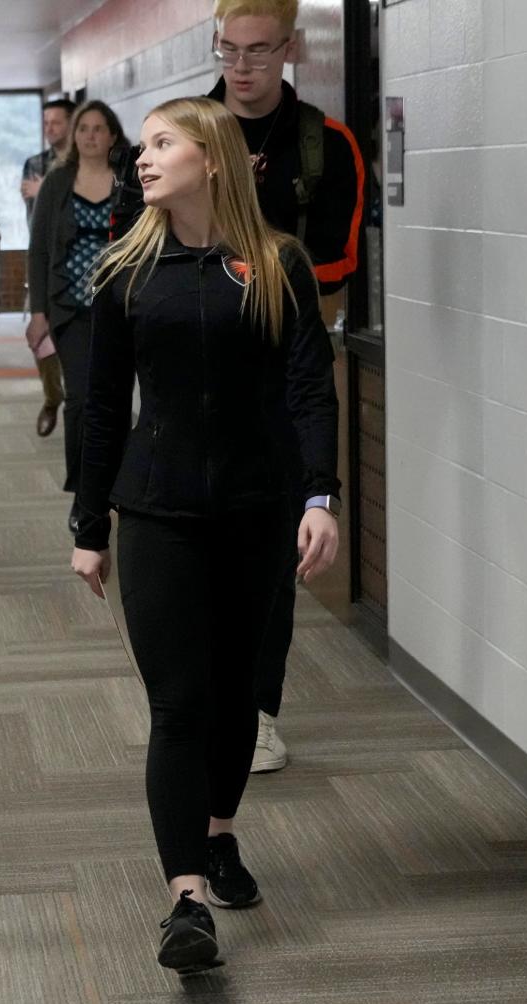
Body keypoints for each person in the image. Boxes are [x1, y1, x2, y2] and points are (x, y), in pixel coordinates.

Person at [71, 96, 340, 976]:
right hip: (157, 513)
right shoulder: (125, 271)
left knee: (237, 699)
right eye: (140, 147)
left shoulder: (276, 264)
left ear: (211, 157)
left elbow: (309, 388)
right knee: (179, 704)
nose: (140, 159)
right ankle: (186, 896)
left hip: (258, 510)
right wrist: (88, 522)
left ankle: (218, 833)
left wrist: (319, 495)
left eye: (159, 145)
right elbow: (102, 405)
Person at [208, 0, 364, 773]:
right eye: (229, 51)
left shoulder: (325, 146)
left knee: (270, 566)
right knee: (192, 562)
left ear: (291, 48)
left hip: (281, 380)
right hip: (193, 379)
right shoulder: (183, 130)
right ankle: (200, 704)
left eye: (260, 52)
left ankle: (260, 712)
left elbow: (330, 273)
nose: (242, 68)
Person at [26, 101, 128, 536]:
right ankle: (85, 495)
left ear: (112, 136)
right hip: (70, 308)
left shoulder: (130, 182)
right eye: (82, 128)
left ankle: (116, 489)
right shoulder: (57, 184)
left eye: (98, 128)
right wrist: (37, 312)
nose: (89, 136)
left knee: (118, 403)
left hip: (121, 308)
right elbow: (39, 251)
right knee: (83, 401)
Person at [21, 98, 75, 438]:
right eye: (46, 123)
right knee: (39, 336)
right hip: (45, 258)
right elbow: (36, 216)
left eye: (56, 122)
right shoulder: (35, 163)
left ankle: (78, 398)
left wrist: (47, 190)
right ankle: (53, 397)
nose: (49, 128)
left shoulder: (86, 161)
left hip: (80, 263)